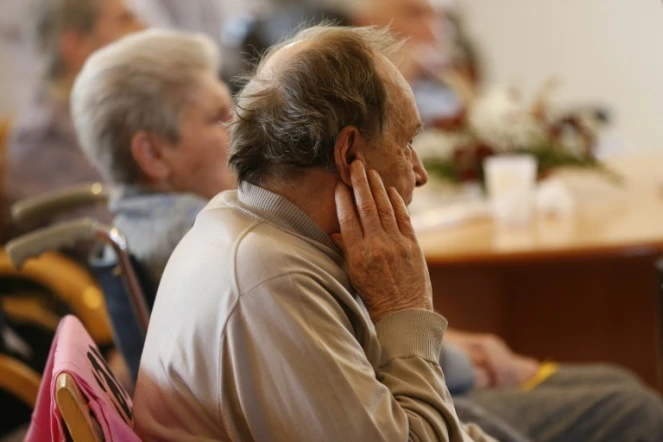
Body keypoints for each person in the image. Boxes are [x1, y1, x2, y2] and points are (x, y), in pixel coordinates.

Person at [133, 24, 494, 442]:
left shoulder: (247, 224)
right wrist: (404, 308)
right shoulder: (273, 278)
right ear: (348, 154)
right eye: (406, 143)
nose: (420, 173)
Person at [71, 29, 235, 287]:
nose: (241, 126)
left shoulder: (126, 231)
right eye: (218, 117)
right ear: (152, 155)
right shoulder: (220, 240)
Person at [4, 0, 143, 229]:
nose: (143, 28)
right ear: (75, 45)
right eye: (125, 20)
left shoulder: (113, 113)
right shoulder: (42, 140)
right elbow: (110, 238)